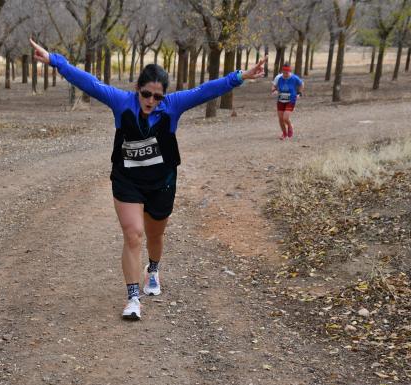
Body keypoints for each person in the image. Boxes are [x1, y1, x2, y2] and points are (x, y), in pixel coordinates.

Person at [30, 38, 265, 321]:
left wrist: (240, 76)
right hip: (127, 180)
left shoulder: (173, 106)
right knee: (133, 235)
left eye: (157, 96)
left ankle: (152, 269)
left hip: (162, 181)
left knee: (155, 234)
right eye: (146, 94)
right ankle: (133, 298)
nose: (151, 101)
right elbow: (88, 82)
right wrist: (55, 60)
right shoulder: (121, 102)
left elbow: (206, 90)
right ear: (137, 90)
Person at [271, 62, 304, 140]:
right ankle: (284, 133)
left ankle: (290, 126)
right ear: (282, 71)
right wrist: (274, 90)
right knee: (280, 118)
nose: (285, 74)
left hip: (291, 99)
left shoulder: (294, 78)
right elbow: (273, 86)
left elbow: (302, 84)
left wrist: (299, 93)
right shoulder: (278, 77)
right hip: (281, 99)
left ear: (290, 71)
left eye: (287, 72)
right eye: (284, 72)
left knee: (285, 118)